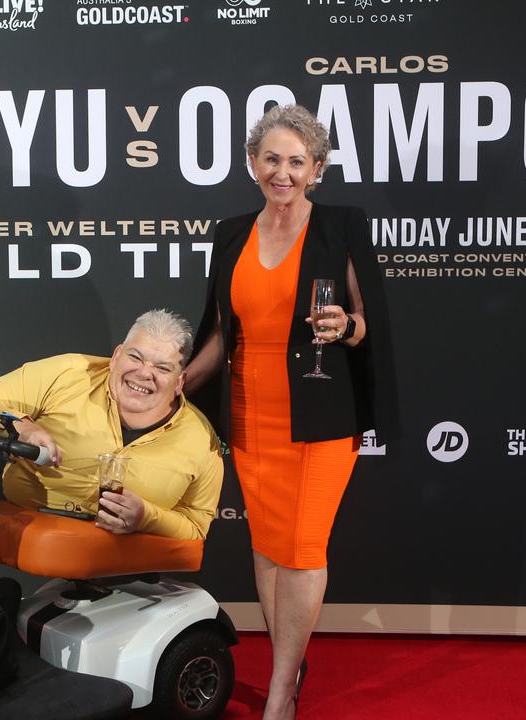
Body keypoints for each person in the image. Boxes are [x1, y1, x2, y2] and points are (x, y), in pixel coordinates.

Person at [184, 105, 400, 719]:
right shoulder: (231, 233)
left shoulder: (340, 226)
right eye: (271, 158)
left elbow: (368, 316)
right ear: (253, 163)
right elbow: (223, 332)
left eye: (296, 161)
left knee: (302, 549)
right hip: (251, 416)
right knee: (268, 547)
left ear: (318, 169)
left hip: (321, 414)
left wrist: (347, 326)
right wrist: (182, 384)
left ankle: (280, 690)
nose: (283, 172)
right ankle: (290, 659)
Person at [0, 309, 224, 540]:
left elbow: (196, 524)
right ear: (116, 357)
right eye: (135, 357)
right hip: (23, 513)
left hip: (123, 554)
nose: (145, 373)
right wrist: (23, 426)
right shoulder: (68, 372)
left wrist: (146, 517)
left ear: (180, 382)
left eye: (162, 368)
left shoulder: (200, 438)